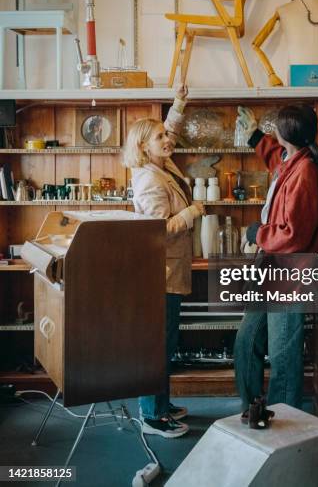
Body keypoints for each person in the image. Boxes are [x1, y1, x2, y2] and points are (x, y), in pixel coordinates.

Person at [234, 104, 318, 415]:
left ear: (285, 133)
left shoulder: (305, 173)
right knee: (246, 342)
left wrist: (257, 233)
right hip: (271, 272)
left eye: (275, 127)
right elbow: (274, 158)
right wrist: (253, 135)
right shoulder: (293, 158)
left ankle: (286, 423)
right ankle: (253, 409)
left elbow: (293, 235)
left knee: (283, 356)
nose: (273, 131)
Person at [123, 82, 205, 438]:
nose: (168, 139)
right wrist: (190, 213)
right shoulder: (149, 181)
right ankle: (152, 416)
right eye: (160, 137)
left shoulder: (160, 162)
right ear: (144, 147)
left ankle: (161, 404)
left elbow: (169, 130)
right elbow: (157, 231)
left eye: (165, 135)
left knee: (166, 342)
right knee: (159, 346)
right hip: (161, 274)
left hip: (170, 272)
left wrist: (179, 102)